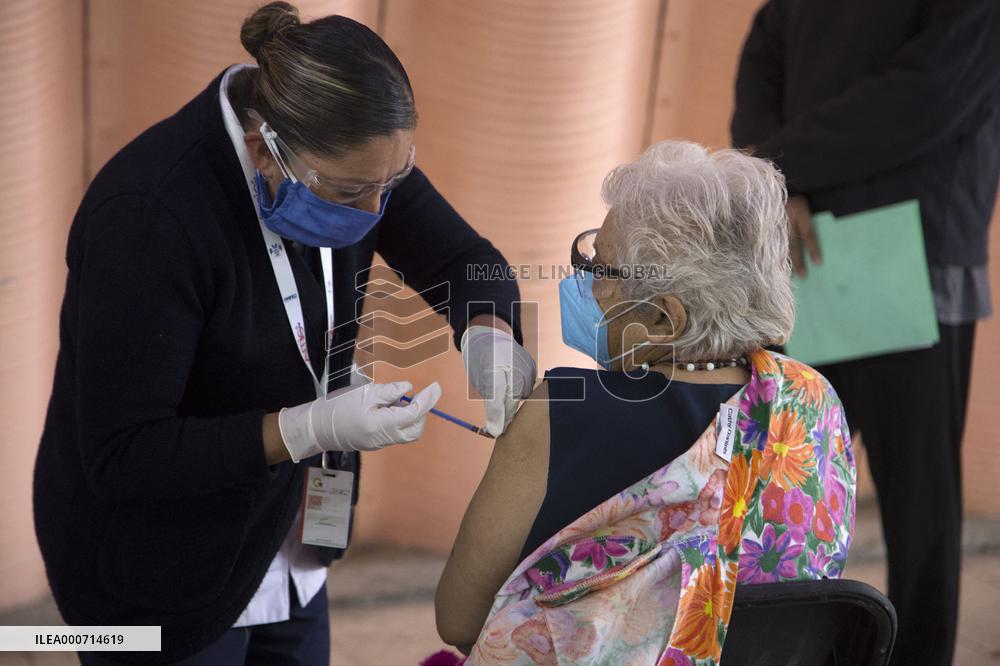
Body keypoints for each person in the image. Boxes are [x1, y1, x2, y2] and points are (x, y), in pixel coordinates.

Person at [32, 3, 536, 664]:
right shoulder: (148, 218)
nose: (376, 211)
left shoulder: (354, 155)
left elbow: (462, 260)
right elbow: (124, 454)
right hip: (156, 579)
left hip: (288, 544)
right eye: (354, 192)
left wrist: (490, 332)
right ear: (262, 148)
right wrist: (304, 430)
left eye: (391, 183)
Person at [435, 142, 856, 662]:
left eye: (600, 268)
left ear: (664, 319)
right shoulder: (812, 398)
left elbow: (458, 618)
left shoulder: (563, 408)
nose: (583, 281)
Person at [731, 2, 1000, 663]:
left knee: (918, 512)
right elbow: (761, 65)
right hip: (801, 252)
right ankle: (763, 650)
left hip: (909, 249)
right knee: (771, 489)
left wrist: (779, 166)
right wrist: (773, 181)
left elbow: (932, 94)